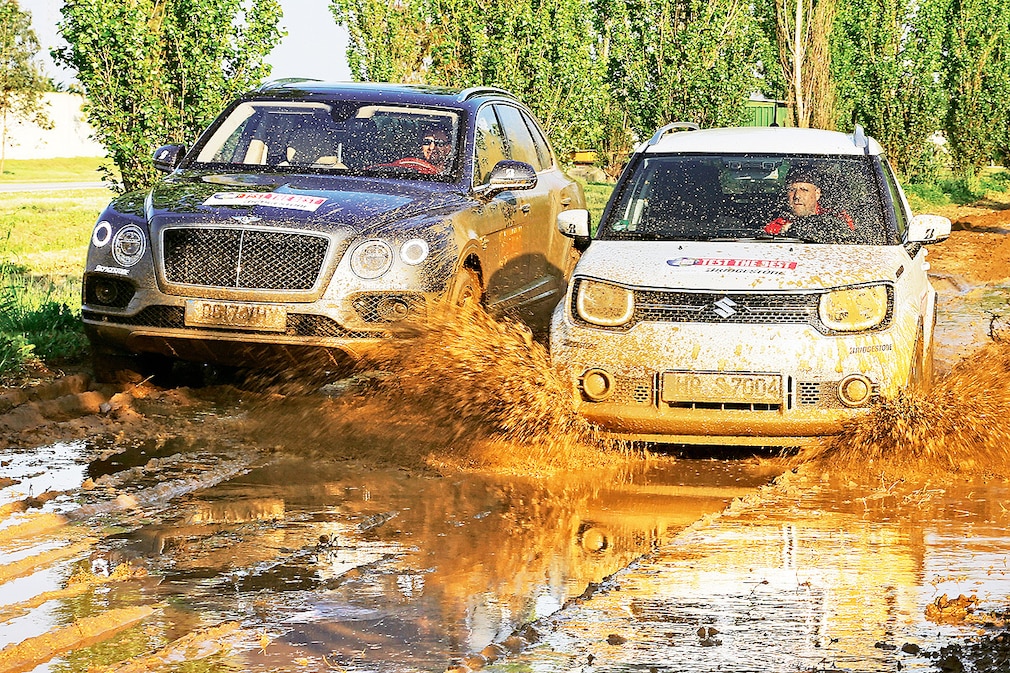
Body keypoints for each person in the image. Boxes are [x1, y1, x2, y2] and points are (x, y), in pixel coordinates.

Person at [764, 166, 854, 236]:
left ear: (817, 194)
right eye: (792, 190)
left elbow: (850, 239)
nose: (797, 196)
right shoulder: (776, 226)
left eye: (804, 190)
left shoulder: (836, 217)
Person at [378, 127, 453, 175]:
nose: (432, 147)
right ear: (421, 146)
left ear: (449, 148)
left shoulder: (457, 174)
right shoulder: (407, 167)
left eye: (440, 143)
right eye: (427, 142)